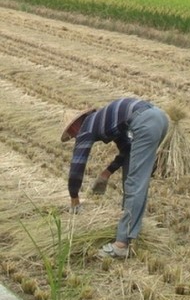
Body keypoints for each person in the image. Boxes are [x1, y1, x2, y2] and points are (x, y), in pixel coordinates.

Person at [61, 98, 169, 258]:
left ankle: (121, 245)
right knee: (132, 178)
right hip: (159, 118)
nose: (74, 137)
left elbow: (77, 167)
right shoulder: (105, 121)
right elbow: (127, 149)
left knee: (135, 183)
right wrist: (107, 173)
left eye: (71, 134)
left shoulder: (85, 128)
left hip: (146, 122)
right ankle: (130, 231)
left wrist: (74, 198)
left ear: (75, 125)